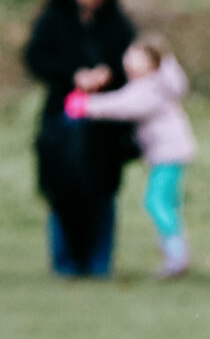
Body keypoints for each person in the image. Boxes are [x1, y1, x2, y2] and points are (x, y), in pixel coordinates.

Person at [22, 0, 139, 278]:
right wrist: (73, 75)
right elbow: (35, 58)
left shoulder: (116, 22)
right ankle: (66, 264)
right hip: (62, 118)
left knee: (102, 191)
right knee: (62, 187)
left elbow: (131, 60)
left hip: (103, 122)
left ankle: (99, 263)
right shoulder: (55, 16)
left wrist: (107, 74)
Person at [68, 34, 198, 278]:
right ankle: (173, 252)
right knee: (167, 203)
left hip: (167, 154)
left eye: (136, 59)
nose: (128, 63)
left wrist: (87, 106)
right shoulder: (154, 84)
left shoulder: (152, 87)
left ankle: (176, 255)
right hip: (168, 153)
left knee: (156, 202)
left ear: (151, 63)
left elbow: (125, 105)